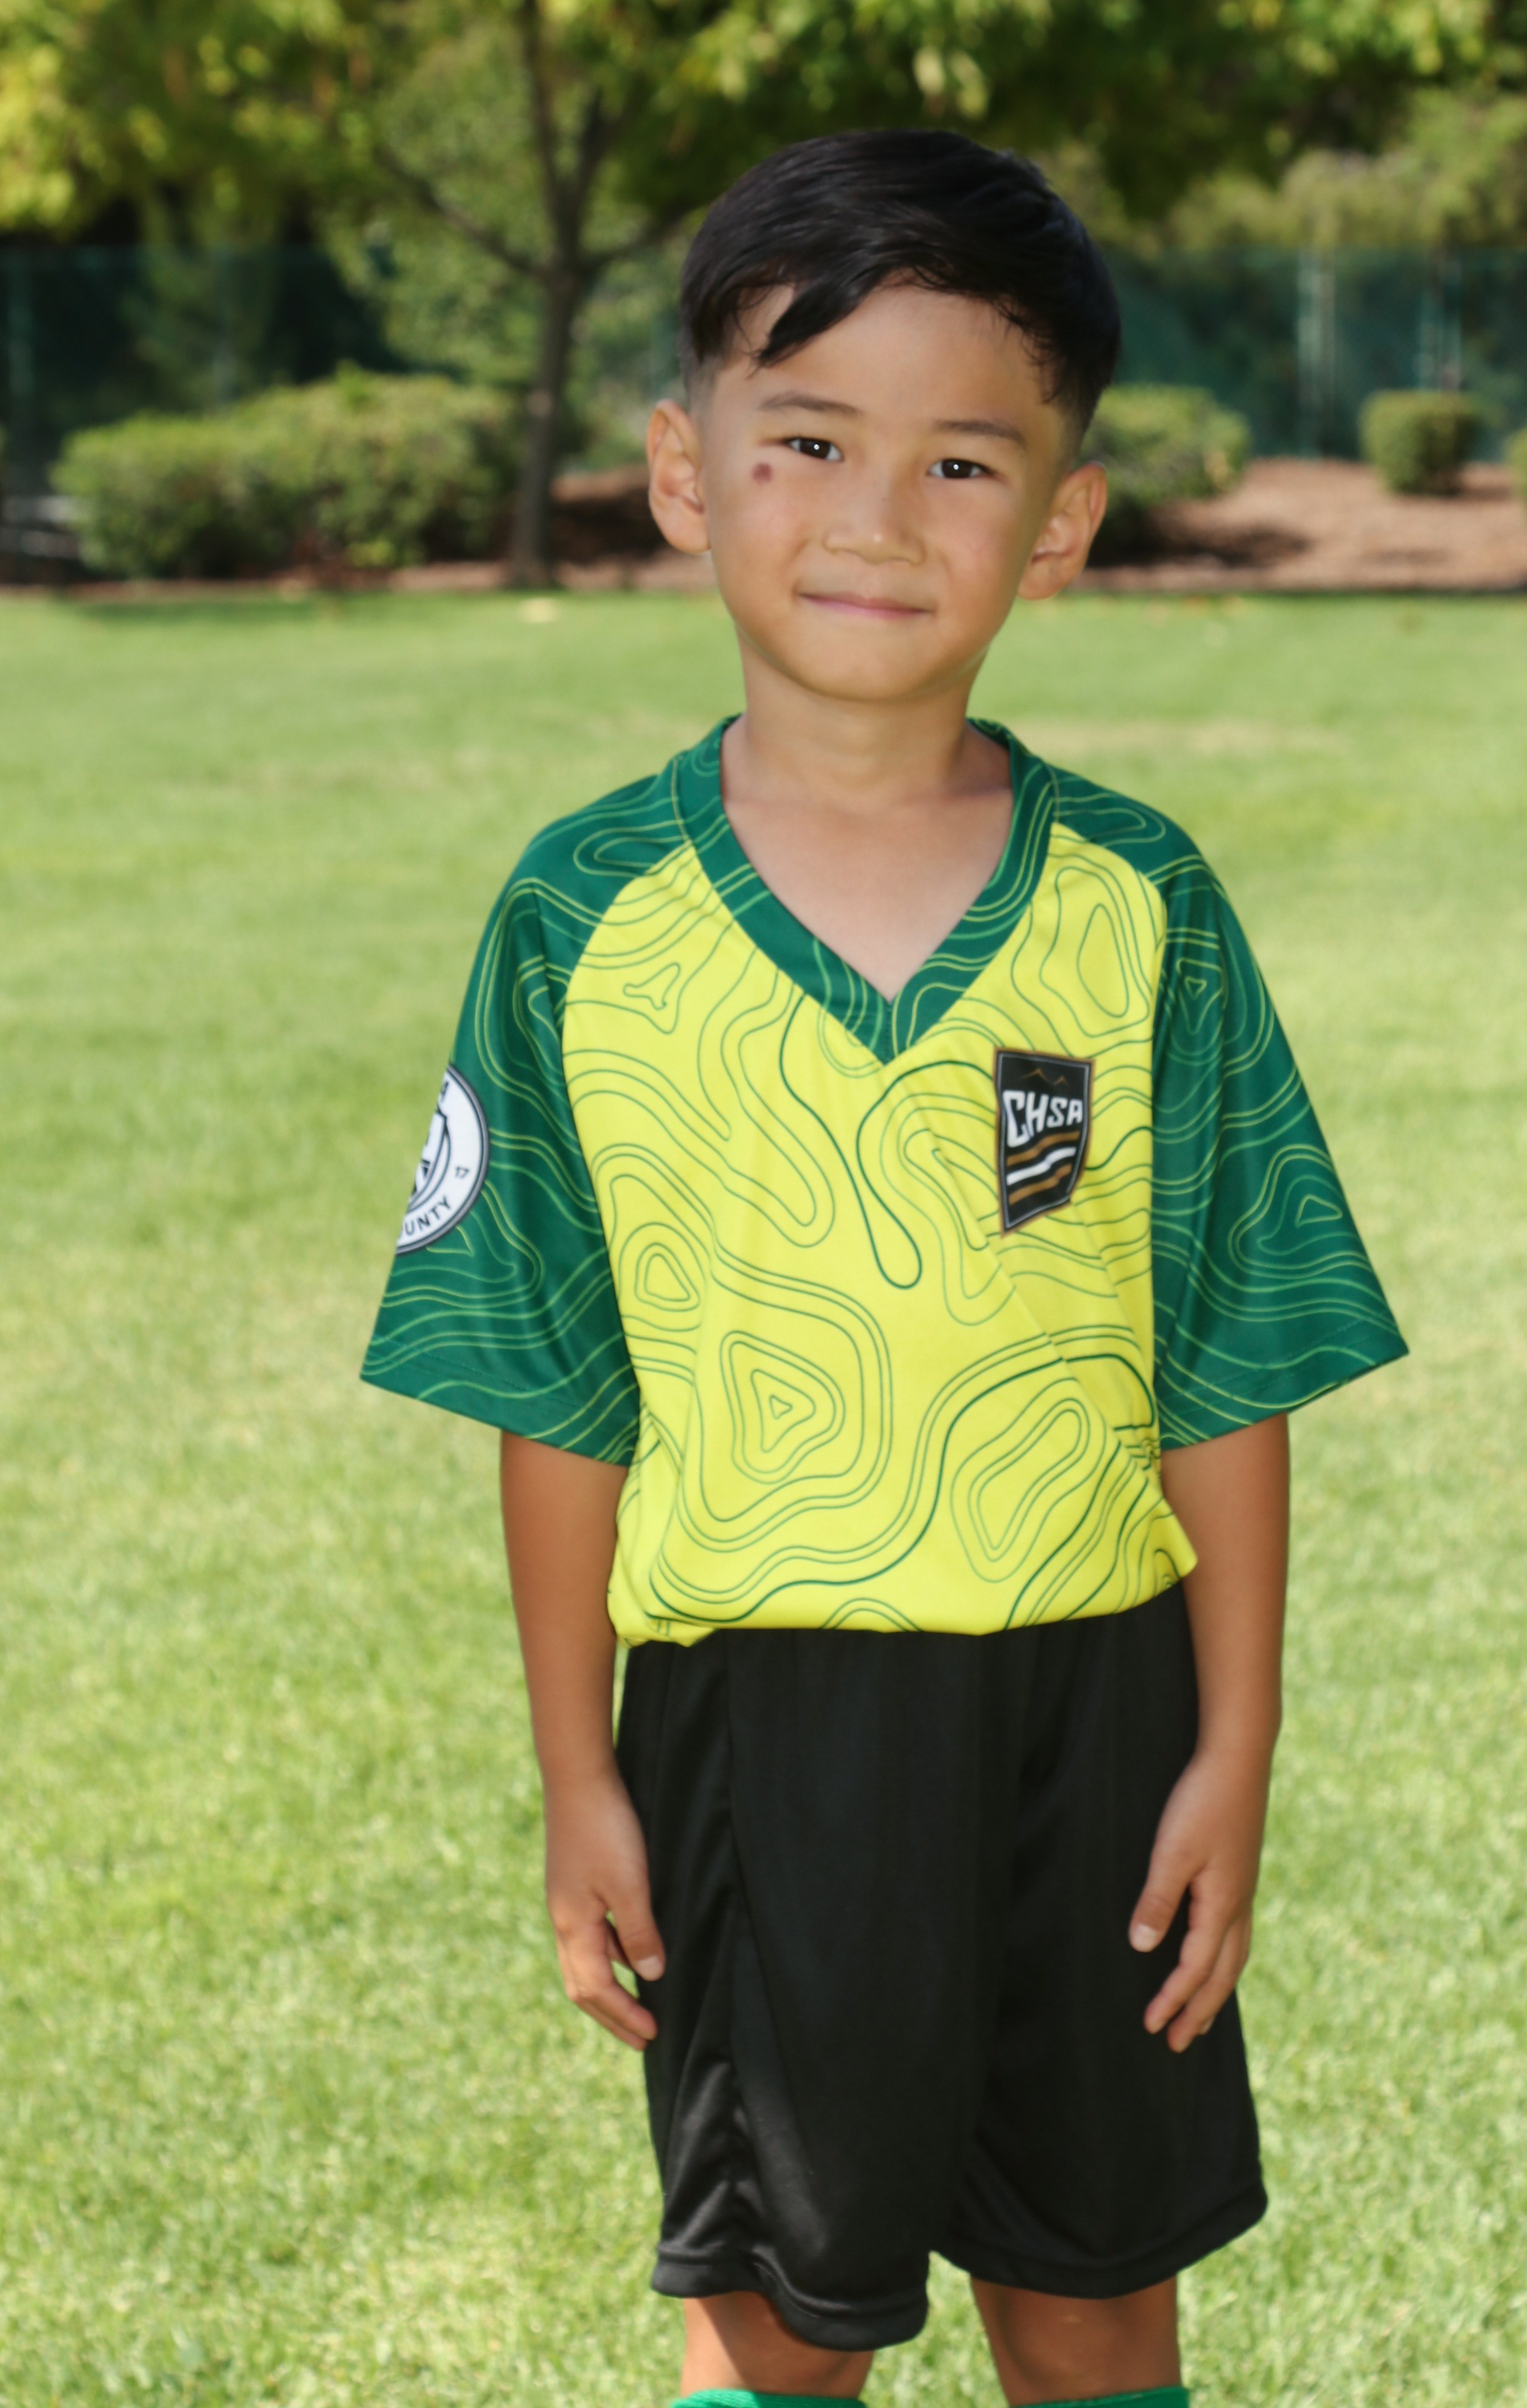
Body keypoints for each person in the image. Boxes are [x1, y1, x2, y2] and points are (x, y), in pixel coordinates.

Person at [362, 129, 1406, 2408]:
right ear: (684, 469)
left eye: (961, 461)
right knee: (773, 2323)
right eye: (810, 439)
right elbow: (554, 1382)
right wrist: (576, 1770)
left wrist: (1233, 1742)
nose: (876, 515)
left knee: (1095, 2302)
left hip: (1098, 1710)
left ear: (1061, 521)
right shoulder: (581, 914)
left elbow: (1226, 1354)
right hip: (759, 1726)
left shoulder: (1136, 902)